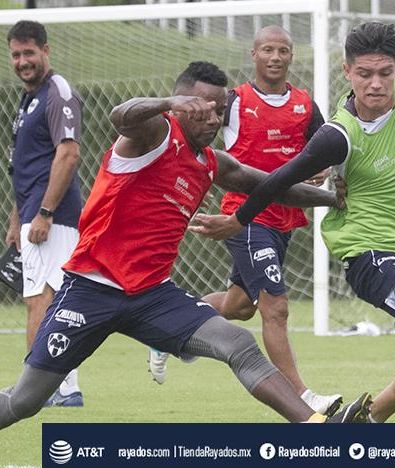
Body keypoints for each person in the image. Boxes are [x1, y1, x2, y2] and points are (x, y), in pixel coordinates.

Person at [0, 61, 372, 431]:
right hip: (91, 289)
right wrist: (167, 103)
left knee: (238, 343)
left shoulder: (213, 163)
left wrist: (331, 200)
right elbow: (121, 116)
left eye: (220, 111)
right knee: (25, 400)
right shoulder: (153, 134)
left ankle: (316, 429)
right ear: (182, 105)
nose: (213, 120)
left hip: (153, 297)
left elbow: (274, 186)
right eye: (203, 109)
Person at [190, 23, 395, 423]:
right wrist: (238, 219)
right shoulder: (339, 134)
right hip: (367, 251)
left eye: (384, 73)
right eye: (365, 74)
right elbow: (279, 180)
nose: (376, 84)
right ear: (347, 72)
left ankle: (361, 421)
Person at [147, 26, 342, 417]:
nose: (275, 57)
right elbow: (200, 132)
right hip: (246, 216)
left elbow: (323, 147)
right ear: (253, 55)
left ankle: (165, 331)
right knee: (276, 307)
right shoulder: (233, 100)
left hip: (285, 216)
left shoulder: (305, 104)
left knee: (239, 306)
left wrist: (323, 169)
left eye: (283, 50)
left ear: (291, 56)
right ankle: (301, 396)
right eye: (267, 49)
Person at [4, 20, 84, 407]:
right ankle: (63, 389)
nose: (22, 61)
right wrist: (17, 216)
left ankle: (39, 392)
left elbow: (67, 153)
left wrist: (46, 212)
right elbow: (28, 164)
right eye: (16, 54)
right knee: (49, 302)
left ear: (46, 50)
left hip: (54, 216)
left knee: (43, 300)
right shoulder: (29, 99)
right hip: (37, 214)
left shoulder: (58, 91)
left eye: (29, 53)